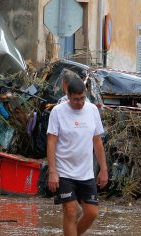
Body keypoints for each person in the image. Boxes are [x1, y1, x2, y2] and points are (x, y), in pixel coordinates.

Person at [46, 77, 108, 236]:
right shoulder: (58, 112)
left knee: (91, 213)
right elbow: (51, 142)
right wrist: (52, 171)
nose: (80, 102)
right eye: (75, 99)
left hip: (86, 172)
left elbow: (97, 142)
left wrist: (104, 169)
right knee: (71, 210)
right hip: (64, 171)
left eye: (82, 98)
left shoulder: (92, 110)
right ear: (67, 95)